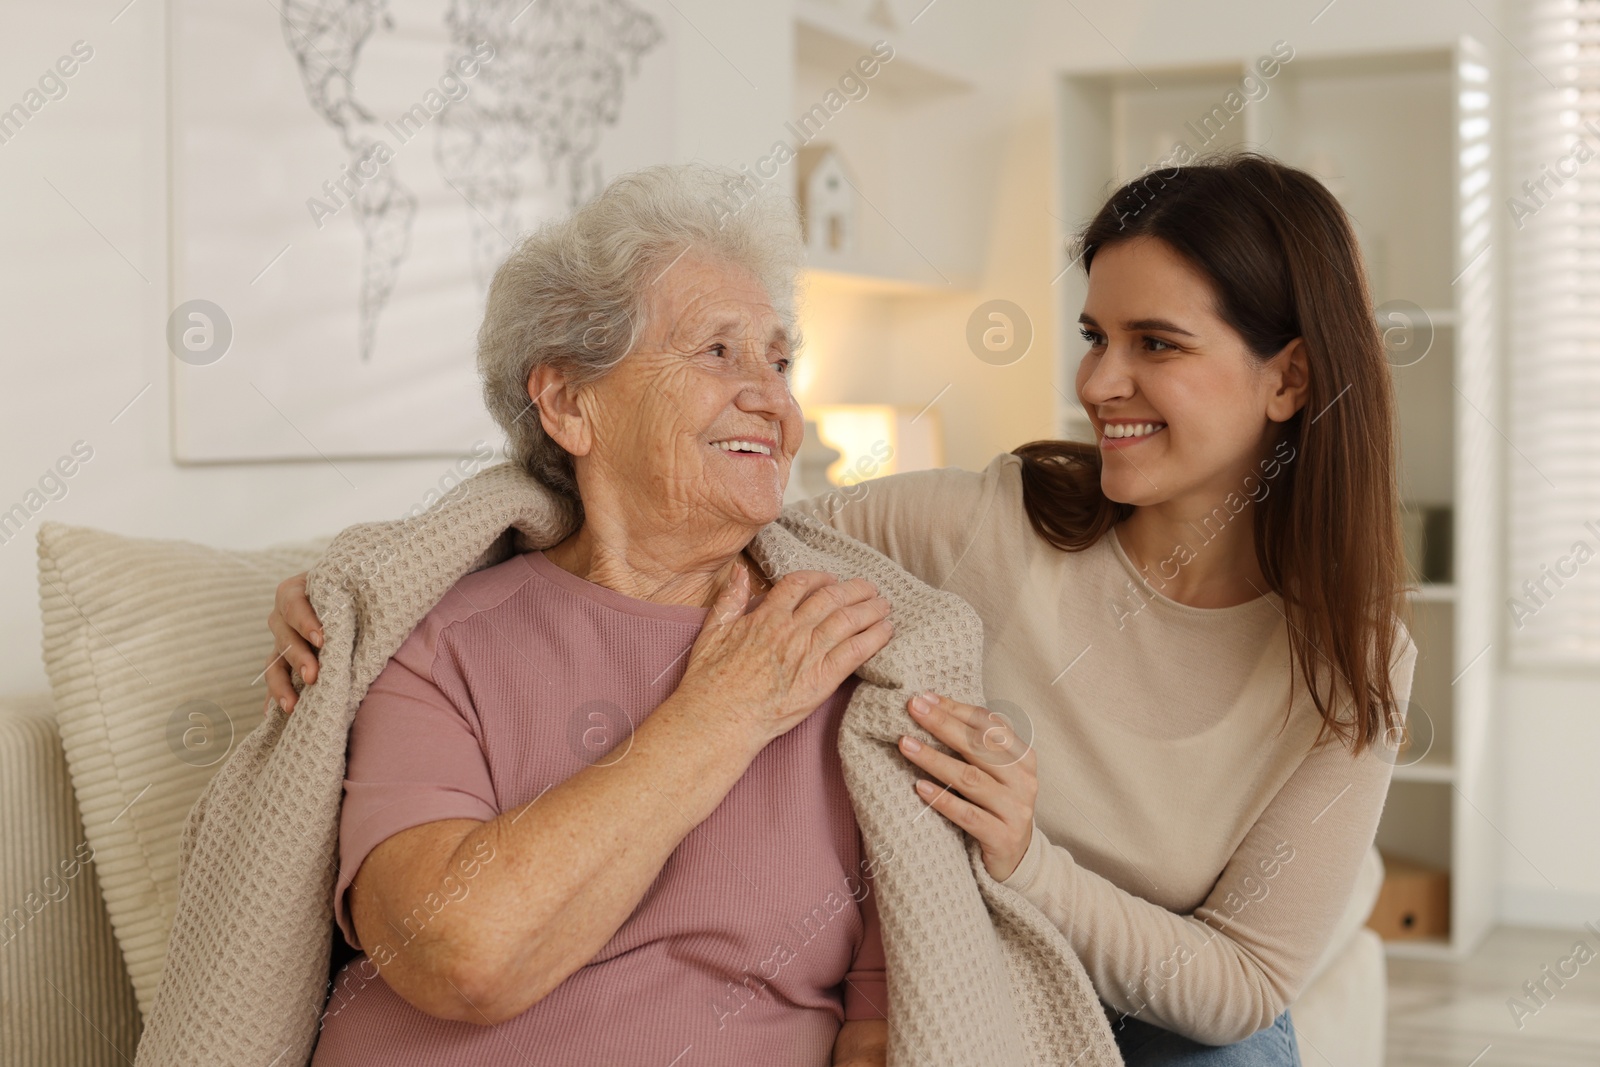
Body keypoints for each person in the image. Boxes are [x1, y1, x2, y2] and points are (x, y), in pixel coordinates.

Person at [273, 153, 1416, 1065]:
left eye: (1154, 345)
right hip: (959, 935)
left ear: (1288, 378)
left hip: (1135, 984)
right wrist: (383, 574)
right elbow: (702, 499)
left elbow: (1242, 982)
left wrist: (1021, 859)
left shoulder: (1352, 663)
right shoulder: (980, 526)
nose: (1096, 383)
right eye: (1093, 337)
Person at [293, 163, 951, 1067]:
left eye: (781, 358)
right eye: (717, 351)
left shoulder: (850, 648)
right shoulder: (437, 640)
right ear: (568, 402)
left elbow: (885, 1025)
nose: (772, 398)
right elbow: (459, 955)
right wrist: (721, 713)